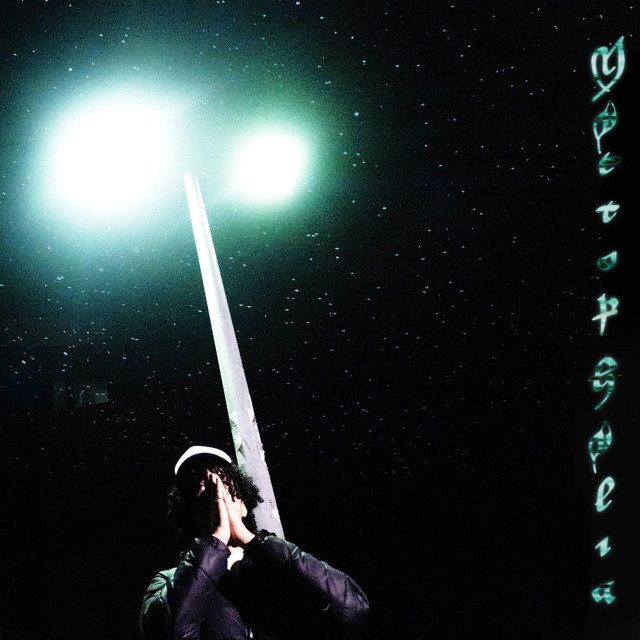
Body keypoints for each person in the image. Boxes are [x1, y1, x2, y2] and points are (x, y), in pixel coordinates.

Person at [139, 445, 370, 640]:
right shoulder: (167, 582)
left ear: (244, 504)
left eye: (226, 488)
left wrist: (251, 540)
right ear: (190, 515)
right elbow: (167, 631)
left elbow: (351, 609)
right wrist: (216, 541)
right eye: (203, 492)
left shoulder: (277, 563)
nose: (218, 500)